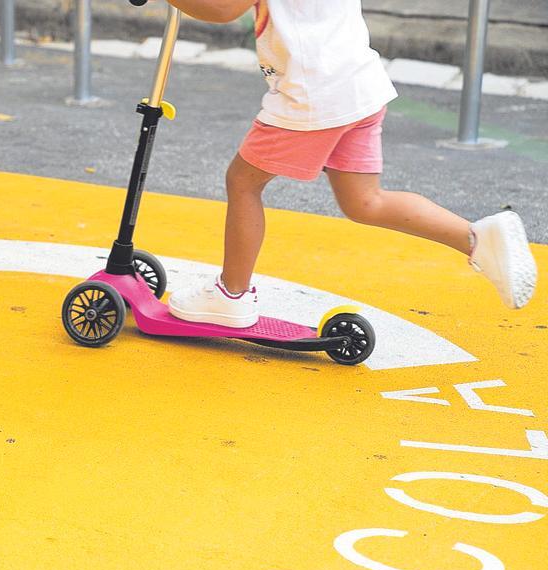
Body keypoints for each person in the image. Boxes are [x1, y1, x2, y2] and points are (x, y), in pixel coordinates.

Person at [158, 0, 538, 329]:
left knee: (243, 182)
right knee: (364, 200)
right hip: (357, 83)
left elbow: (224, 8)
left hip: (313, 93)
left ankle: (231, 294)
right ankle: (477, 238)